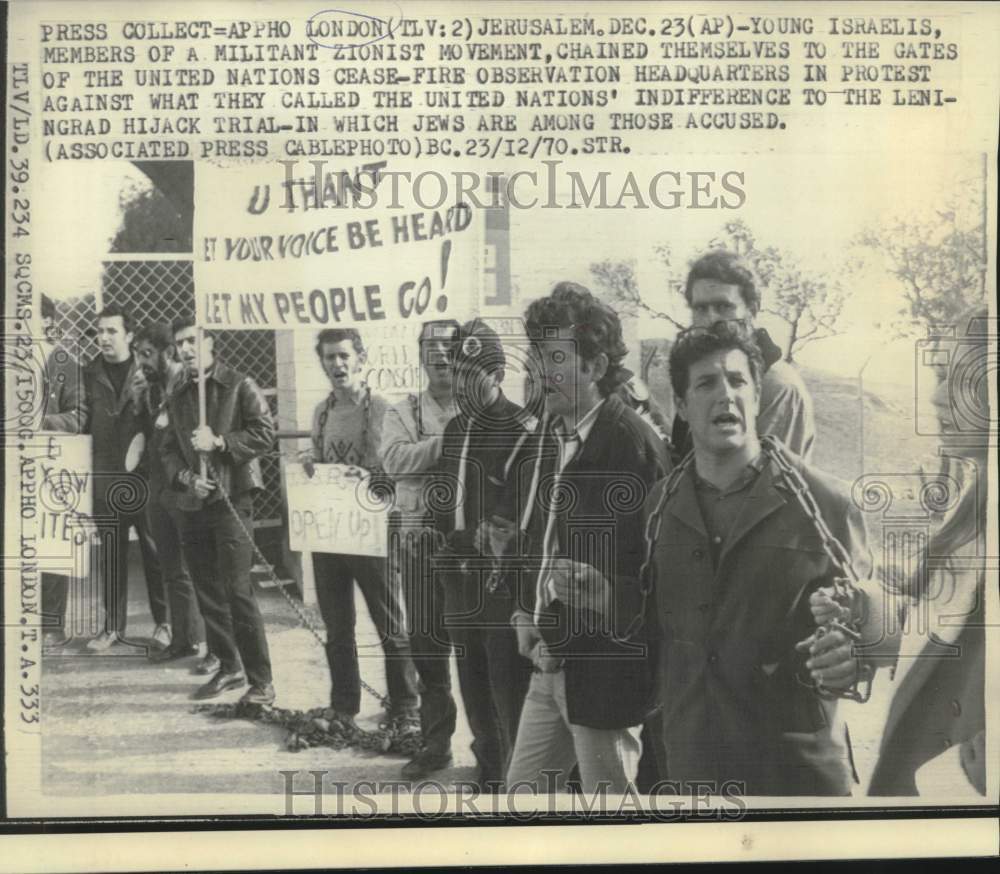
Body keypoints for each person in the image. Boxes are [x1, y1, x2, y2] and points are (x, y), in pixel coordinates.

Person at [616, 321, 870, 795]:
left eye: (738, 380)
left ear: (756, 395)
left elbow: (877, 611)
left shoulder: (825, 502)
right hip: (694, 772)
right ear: (683, 406)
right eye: (706, 383)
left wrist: (860, 650)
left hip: (797, 775)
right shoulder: (657, 508)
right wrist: (600, 598)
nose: (725, 395)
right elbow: (650, 623)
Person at [500, 283, 669, 794]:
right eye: (534, 357)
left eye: (554, 358)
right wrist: (526, 610)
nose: (536, 371)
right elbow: (540, 538)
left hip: (604, 674)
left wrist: (576, 623)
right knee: (523, 798)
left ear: (595, 367)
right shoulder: (548, 436)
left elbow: (657, 580)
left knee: (611, 814)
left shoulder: (635, 447)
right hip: (548, 660)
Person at [819, 306, 991, 797]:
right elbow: (938, 634)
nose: (935, 397)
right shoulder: (975, 500)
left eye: (957, 379)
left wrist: (947, 788)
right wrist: (864, 623)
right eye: (939, 375)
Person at [430, 318, 534, 789]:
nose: (462, 382)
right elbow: (444, 496)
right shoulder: (453, 430)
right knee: (470, 678)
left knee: (504, 683)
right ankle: (488, 767)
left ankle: (515, 776)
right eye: (457, 371)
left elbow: (519, 509)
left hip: (497, 581)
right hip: (457, 577)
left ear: (495, 374)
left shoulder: (521, 429)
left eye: (473, 373)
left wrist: (482, 535)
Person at [305, 328, 419, 729]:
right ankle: (343, 706)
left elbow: (394, 473)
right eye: (329, 358)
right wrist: (310, 468)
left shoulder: (382, 409)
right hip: (330, 534)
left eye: (343, 356)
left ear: (360, 358)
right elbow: (320, 463)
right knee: (337, 627)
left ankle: (406, 706)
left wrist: (368, 475)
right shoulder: (321, 412)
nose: (337, 365)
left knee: (390, 624)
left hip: (371, 534)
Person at [161, 317, 276, 703]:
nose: (186, 349)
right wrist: (185, 478)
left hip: (232, 500)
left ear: (210, 343)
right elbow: (168, 450)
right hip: (195, 503)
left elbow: (264, 433)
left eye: (193, 341)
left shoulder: (239, 385)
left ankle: (262, 681)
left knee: (237, 590)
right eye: (180, 344)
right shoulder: (177, 395)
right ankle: (229, 668)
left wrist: (222, 442)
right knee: (207, 590)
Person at [380, 320, 462, 779]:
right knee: (429, 650)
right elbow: (394, 460)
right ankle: (436, 746)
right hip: (419, 544)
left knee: (480, 650)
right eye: (431, 347)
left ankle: (494, 749)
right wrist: (450, 441)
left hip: (470, 547)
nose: (441, 355)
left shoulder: (481, 407)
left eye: (449, 347)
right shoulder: (404, 411)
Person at [669, 251, 816, 466]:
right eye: (700, 309)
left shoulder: (777, 386)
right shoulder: (698, 378)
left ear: (752, 310)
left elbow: (767, 484)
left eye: (723, 307)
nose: (710, 320)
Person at [83, 303, 168, 651]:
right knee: (112, 555)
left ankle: (164, 624)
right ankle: (112, 628)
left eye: (111, 331)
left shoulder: (147, 372)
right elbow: (82, 420)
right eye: (99, 331)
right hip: (105, 479)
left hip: (143, 480)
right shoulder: (87, 373)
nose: (103, 337)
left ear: (130, 335)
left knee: (154, 552)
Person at [132, 322, 210, 669]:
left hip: (185, 484)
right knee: (170, 569)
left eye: (147, 355)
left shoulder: (186, 384)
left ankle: (212, 646)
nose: (142, 363)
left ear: (169, 352)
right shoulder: (149, 389)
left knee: (199, 568)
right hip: (158, 487)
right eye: (138, 355)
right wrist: (138, 402)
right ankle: (184, 640)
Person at [39, 294, 89, 649]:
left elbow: (81, 414)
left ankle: (51, 624)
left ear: (46, 323)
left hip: (50, 462)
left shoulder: (62, 362)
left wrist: (39, 422)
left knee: (53, 539)